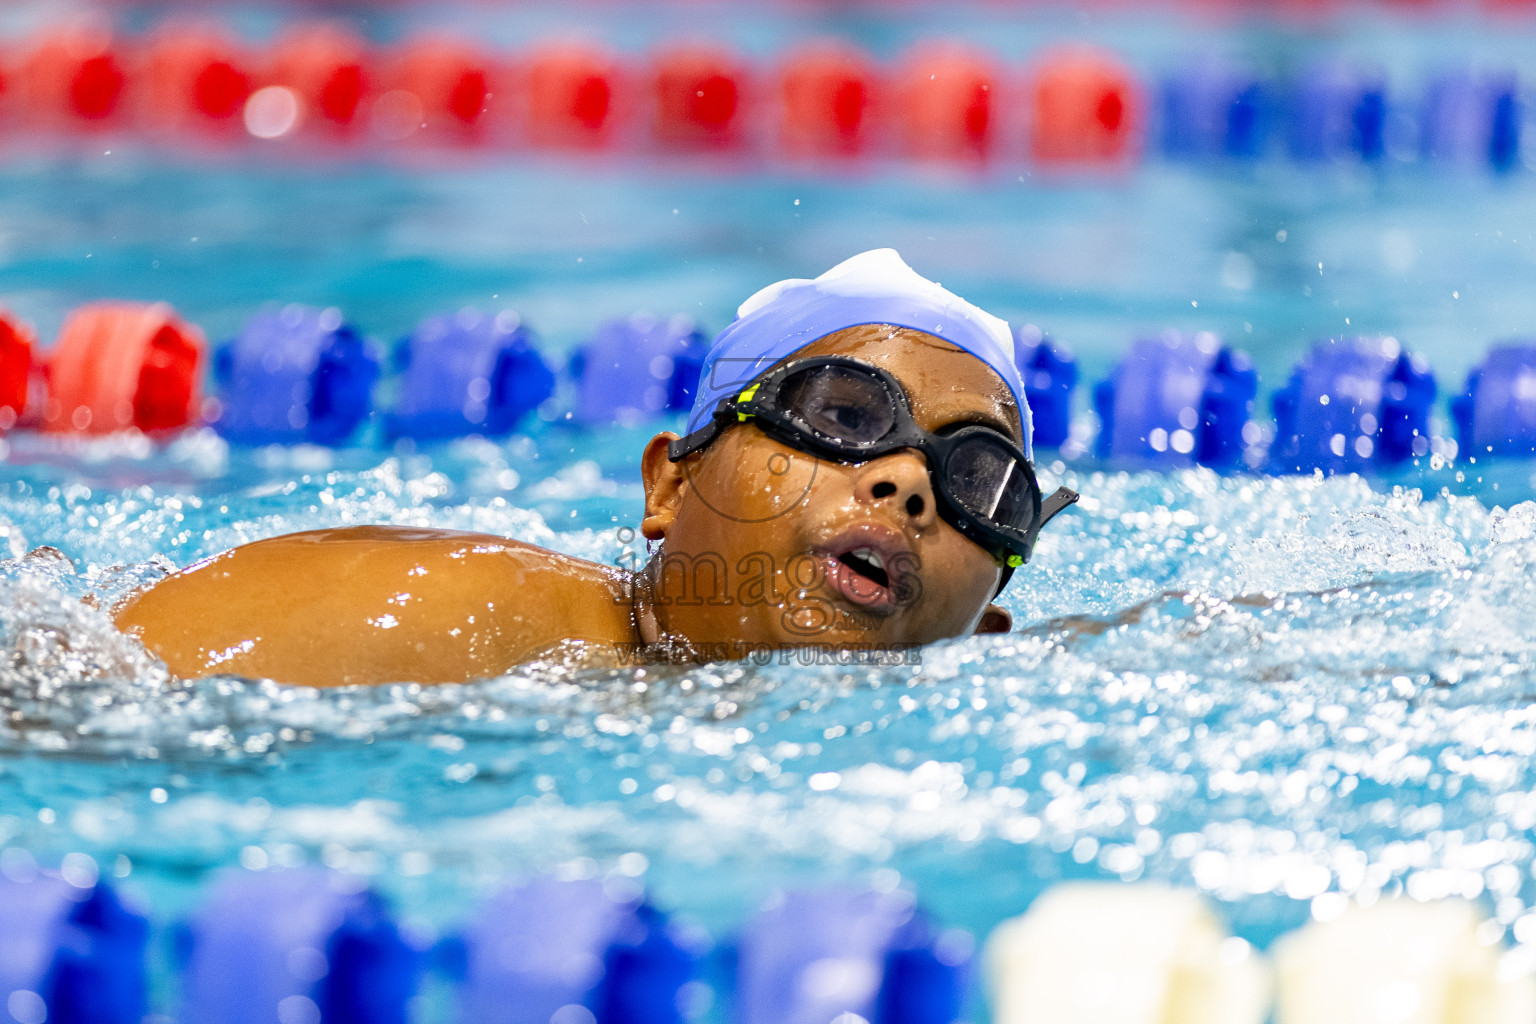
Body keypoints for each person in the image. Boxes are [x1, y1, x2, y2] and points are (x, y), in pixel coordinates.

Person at [113, 250, 1077, 687]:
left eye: (979, 480)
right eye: (843, 414)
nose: (906, 483)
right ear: (669, 483)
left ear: (983, 626)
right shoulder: (467, 611)